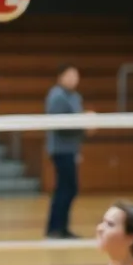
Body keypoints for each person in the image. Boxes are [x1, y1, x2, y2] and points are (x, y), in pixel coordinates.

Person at [44, 64, 85, 239]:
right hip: (61, 150)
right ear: (60, 77)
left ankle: (61, 227)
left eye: (76, 75)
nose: (73, 79)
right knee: (66, 188)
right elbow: (61, 126)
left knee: (69, 188)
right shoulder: (57, 96)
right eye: (69, 75)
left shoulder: (75, 97)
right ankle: (55, 228)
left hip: (72, 148)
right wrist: (84, 126)